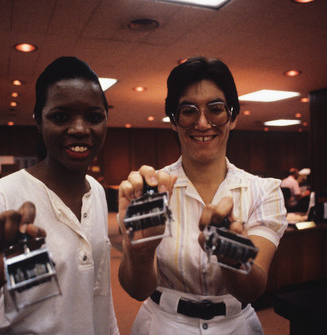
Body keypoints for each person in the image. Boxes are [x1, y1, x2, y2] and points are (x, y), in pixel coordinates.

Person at [0, 57, 119, 334]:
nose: (80, 129)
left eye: (94, 117)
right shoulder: (4, 197)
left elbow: (99, 298)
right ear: (38, 122)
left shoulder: (97, 193)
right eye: (60, 116)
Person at [117, 56, 288, 334]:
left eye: (216, 109)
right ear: (174, 120)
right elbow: (137, 290)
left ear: (232, 116)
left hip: (236, 325)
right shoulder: (152, 189)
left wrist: (231, 253)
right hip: (162, 324)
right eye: (188, 111)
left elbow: (253, 289)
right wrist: (141, 250)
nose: (203, 123)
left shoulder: (264, 190)